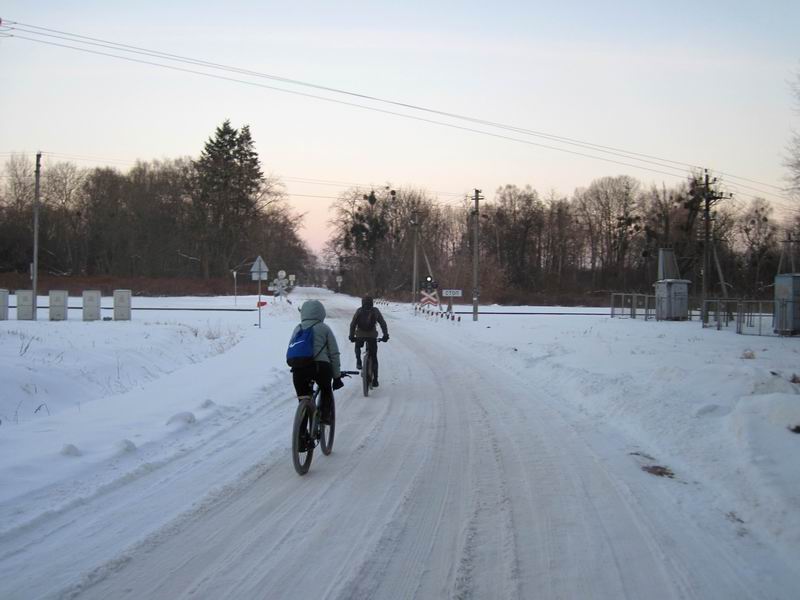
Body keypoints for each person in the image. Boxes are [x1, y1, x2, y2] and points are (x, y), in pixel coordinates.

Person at [289, 299, 342, 428]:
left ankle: (301, 439)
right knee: (326, 389)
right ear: (321, 313)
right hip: (320, 368)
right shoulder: (324, 328)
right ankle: (325, 416)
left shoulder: (298, 328)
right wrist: (337, 377)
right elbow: (334, 354)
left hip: (298, 368)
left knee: (303, 399)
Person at [349, 296, 389, 387]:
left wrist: (351, 336)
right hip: (372, 336)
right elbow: (382, 323)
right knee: (374, 357)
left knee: (357, 346)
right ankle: (375, 380)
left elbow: (353, 324)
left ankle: (359, 360)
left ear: (362, 303)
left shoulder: (359, 311)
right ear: (372, 303)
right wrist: (385, 335)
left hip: (360, 335)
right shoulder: (375, 311)